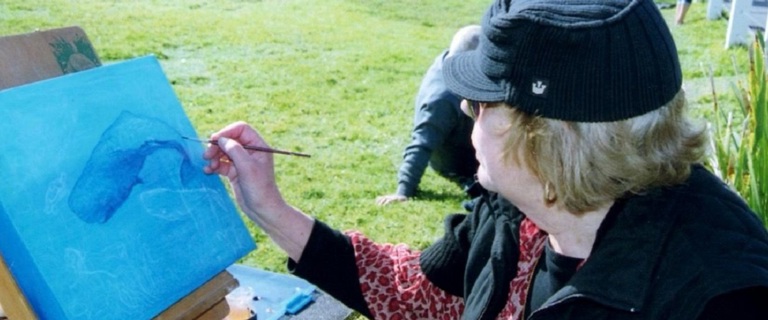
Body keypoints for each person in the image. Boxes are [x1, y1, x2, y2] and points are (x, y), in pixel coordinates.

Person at [203, 0, 768, 318]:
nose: (464, 111)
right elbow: (419, 293)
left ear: (541, 138)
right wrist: (270, 208)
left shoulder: (721, 297)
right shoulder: (518, 212)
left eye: (478, 104)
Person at [376, 25, 482, 208]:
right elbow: (422, 142)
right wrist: (403, 190)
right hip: (459, 162)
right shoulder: (443, 100)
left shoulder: (447, 59)